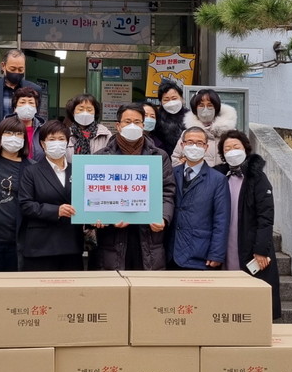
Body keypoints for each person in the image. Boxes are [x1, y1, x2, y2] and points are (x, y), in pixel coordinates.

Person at [94, 103, 176, 270]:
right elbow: (94, 195)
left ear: (143, 125)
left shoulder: (159, 156)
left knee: (146, 284)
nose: (132, 126)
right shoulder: (101, 157)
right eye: (127, 121)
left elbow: (167, 191)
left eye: (137, 122)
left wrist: (163, 217)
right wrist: (102, 218)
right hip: (113, 237)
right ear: (118, 125)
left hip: (148, 236)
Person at [216, 129, 282, 320]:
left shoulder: (257, 177)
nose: (232, 151)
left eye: (236, 146)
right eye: (227, 148)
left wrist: (261, 249)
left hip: (250, 244)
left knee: (251, 290)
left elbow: (266, 216)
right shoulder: (220, 176)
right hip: (226, 241)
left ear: (245, 148)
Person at [18, 120, 84, 271]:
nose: (57, 143)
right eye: (52, 139)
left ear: (67, 142)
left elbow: (88, 200)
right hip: (41, 246)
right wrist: (56, 211)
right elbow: (26, 205)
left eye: (61, 139)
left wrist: (95, 218)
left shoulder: (77, 170)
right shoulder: (31, 171)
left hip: (71, 244)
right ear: (43, 143)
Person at [168, 127, 230, 269]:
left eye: (199, 143)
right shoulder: (171, 173)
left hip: (200, 252)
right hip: (170, 251)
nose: (194, 147)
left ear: (206, 147)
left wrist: (216, 253)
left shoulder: (218, 179)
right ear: (182, 145)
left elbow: (221, 219)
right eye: (189, 142)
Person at [0, 116, 31, 272]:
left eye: (18, 134)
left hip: (19, 241)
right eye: (8, 133)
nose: (13, 138)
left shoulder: (31, 168)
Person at [171, 88, 237, 167]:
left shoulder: (229, 133)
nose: (205, 109)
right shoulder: (188, 133)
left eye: (210, 105)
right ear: (195, 108)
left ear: (216, 108)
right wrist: (185, 165)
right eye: (201, 105)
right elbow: (176, 160)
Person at [0, 48, 41, 126]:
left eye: (20, 69)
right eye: (13, 69)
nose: (16, 72)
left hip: (25, 132)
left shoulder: (34, 89)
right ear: (3, 66)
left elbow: (36, 118)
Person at [64, 93, 112, 160]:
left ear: (95, 113)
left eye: (89, 110)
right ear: (73, 112)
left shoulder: (105, 134)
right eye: (81, 109)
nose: (85, 113)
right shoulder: (66, 134)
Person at [153, 79, 189, 156]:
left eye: (174, 98)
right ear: (161, 102)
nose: (171, 102)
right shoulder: (156, 118)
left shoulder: (190, 116)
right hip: (163, 157)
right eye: (166, 99)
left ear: (181, 98)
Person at [12, 86, 45, 161]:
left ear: (36, 107)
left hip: (37, 167)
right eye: (22, 102)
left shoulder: (43, 129)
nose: (27, 106)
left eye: (31, 103)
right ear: (15, 107)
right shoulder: (5, 127)